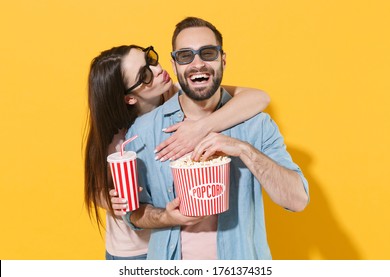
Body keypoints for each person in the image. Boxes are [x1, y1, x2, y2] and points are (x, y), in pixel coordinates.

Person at [120, 17, 309, 260]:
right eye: (186, 56)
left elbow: (297, 200)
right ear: (175, 64)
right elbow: (134, 214)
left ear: (223, 59)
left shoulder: (256, 126)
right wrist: (166, 217)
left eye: (207, 53)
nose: (197, 64)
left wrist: (243, 149)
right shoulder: (146, 129)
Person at [84, 43, 270, 259]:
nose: (157, 70)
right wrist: (109, 200)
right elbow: (96, 188)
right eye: (144, 75)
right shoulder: (113, 138)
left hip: (174, 243)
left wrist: (201, 127)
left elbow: (259, 98)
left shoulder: (176, 94)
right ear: (129, 98)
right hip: (136, 248)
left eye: (150, 59)